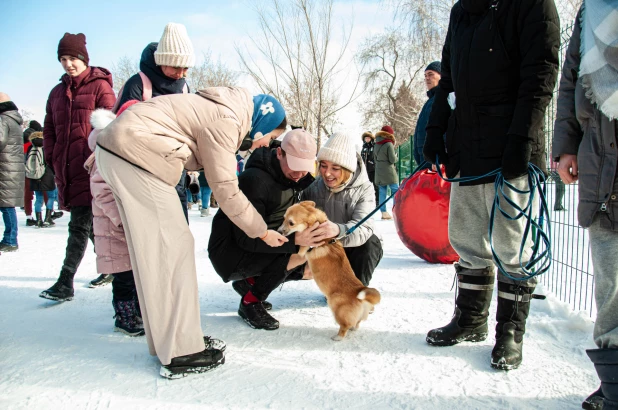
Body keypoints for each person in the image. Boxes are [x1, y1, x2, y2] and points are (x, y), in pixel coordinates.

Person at [94, 87, 289, 378]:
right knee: (173, 249)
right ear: (264, 121)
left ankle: (173, 341)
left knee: (158, 251)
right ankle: (182, 350)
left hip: (121, 151)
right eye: (271, 138)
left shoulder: (219, 109)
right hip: (137, 154)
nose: (266, 146)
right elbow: (225, 189)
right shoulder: (227, 119)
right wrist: (262, 232)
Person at [422, 0, 559, 371]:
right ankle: (470, 320)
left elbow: (540, 76)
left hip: (511, 148)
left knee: (511, 244)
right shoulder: (461, 10)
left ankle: (510, 333)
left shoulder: (532, 6)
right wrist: (436, 130)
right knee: (466, 238)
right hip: (467, 147)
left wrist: (521, 139)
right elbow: (448, 79)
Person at [89, 22, 196, 288]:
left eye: (186, 68)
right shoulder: (139, 83)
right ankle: (138, 299)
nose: (181, 73)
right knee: (139, 243)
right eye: (176, 66)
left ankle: (169, 294)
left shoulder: (183, 87)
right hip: (142, 174)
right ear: (161, 62)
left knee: (176, 239)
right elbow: (126, 132)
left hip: (175, 174)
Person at [552, 3, 618, 408]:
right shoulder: (590, 10)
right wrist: (564, 147)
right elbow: (569, 79)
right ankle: (614, 385)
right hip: (600, 160)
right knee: (609, 281)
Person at [208, 129, 316, 330]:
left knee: (308, 257)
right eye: (295, 166)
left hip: (256, 245)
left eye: (305, 168)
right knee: (298, 254)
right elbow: (245, 238)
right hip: (230, 253)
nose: (300, 174)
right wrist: (295, 242)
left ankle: (248, 282)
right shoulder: (255, 181)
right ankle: (250, 302)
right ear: (279, 154)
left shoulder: (293, 180)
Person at [39, 33, 116, 301]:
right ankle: (113, 270)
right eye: (63, 59)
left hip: (90, 166)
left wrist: (96, 156)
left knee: (79, 224)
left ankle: (65, 282)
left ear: (83, 58)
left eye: (72, 58)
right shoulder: (57, 92)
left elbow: (110, 126)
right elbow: (49, 127)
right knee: (89, 224)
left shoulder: (99, 87)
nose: (68, 64)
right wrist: (52, 155)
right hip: (66, 167)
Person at [86, 100, 144, 336]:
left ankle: (137, 312)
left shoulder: (124, 150)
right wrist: (122, 219)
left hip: (126, 226)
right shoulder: (106, 152)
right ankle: (124, 317)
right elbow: (101, 191)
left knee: (135, 275)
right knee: (124, 277)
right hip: (113, 228)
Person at [301, 132, 383, 286]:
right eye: (323, 166)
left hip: (355, 245)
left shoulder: (365, 189)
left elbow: (364, 228)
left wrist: (338, 230)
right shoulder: (313, 187)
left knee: (370, 242)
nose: (327, 173)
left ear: (347, 169)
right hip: (329, 249)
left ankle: (358, 292)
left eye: (335, 168)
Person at [0, 93, 24, 252]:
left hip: (5, 168)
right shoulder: (14, 120)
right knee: (7, 206)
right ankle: (10, 238)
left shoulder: (3, 119)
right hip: (11, 168)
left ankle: (10, 240)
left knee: (6, 206)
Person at [413, 61, 442, 168]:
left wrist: (440, 157)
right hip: (424, 162)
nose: (427, 78)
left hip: (437, 164)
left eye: (431, 74)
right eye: (425, 76)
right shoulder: (429, 102)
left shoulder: (445, 99)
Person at [27, 132, 59, 227]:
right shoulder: (46, 148)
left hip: (34, 176)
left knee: (39, 198)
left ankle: (38, 220)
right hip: (47, 174)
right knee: (51, 196)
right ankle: (48, 218)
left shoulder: (31, 148)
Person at [374, 125, 398, 220]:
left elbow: (375, 159)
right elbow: (392, 159)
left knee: (382, 191)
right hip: (389, 170)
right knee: (395, 190)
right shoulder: (389, 144)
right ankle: (397, 210)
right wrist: (396, 157)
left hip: (379, 170)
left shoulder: (376, 144)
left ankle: (384, 212)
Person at [360, 131, 379, 205]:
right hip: (366, 170)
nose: (367, 139)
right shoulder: (364, 147)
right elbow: (362, 157)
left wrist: (373, 162)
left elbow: (376, 156)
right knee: (366, 186)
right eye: (366, 138)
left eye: (368, 138)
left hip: (374, 169)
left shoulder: (374, 146)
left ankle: (377, 201)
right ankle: (367, 201)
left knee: (375, 185)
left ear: (371, 138)